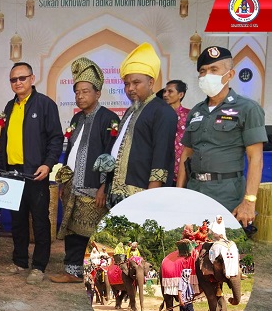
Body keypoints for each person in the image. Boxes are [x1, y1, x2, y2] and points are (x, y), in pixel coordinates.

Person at [177, 46, 267, 228]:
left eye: (214, 69)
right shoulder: (196, 111)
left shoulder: (247, 108)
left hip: (227, 194)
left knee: (223, 244)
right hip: (195, 191)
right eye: (203, 71)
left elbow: (255, 157)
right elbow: (186, 154)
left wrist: (249, 201)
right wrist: (179, 193)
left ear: (230, 74)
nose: (207, 75)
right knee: (191, 241)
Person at [51, 57, 120, 284]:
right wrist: (64, 182)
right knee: (72, 230)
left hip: (93, 188)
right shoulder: (77, 118)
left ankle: (98, 274)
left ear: (97, 93)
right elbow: (71, 151)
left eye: (85, 92)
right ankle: (72, 271)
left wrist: (103, 187)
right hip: (72, 186)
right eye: (77, 92)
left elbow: (110, 157)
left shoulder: (108, 119)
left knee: (92, 233)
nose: (80, 96)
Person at [0, 61, 63, 285]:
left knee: (40, 221)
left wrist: (48, 164)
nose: (18, 83)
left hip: (36, 173)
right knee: (17, 220)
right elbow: (4, 140)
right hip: (13, 173)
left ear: (32, 79)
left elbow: (56, 138)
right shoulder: (9, 106)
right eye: (13, 79)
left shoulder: (45, 104)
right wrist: (2, 170)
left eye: (22, 78)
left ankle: (39, 266)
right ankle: (20, 262)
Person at [106, 43, 177, 207]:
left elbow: (162, 156)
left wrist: (151, 197)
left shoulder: (162, 111)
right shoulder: (131, 110)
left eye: (136, 82)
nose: (130, 88)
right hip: (116, 193)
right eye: (126, 84)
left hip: (141, 195)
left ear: (151, 83)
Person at [161, 80, 190, 185]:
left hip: (182, 171)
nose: (165, 95)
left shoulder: (189, 115)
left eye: (170, 91)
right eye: (164, 91)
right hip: (162, 170)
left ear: (180, 95)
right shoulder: (159, 115)